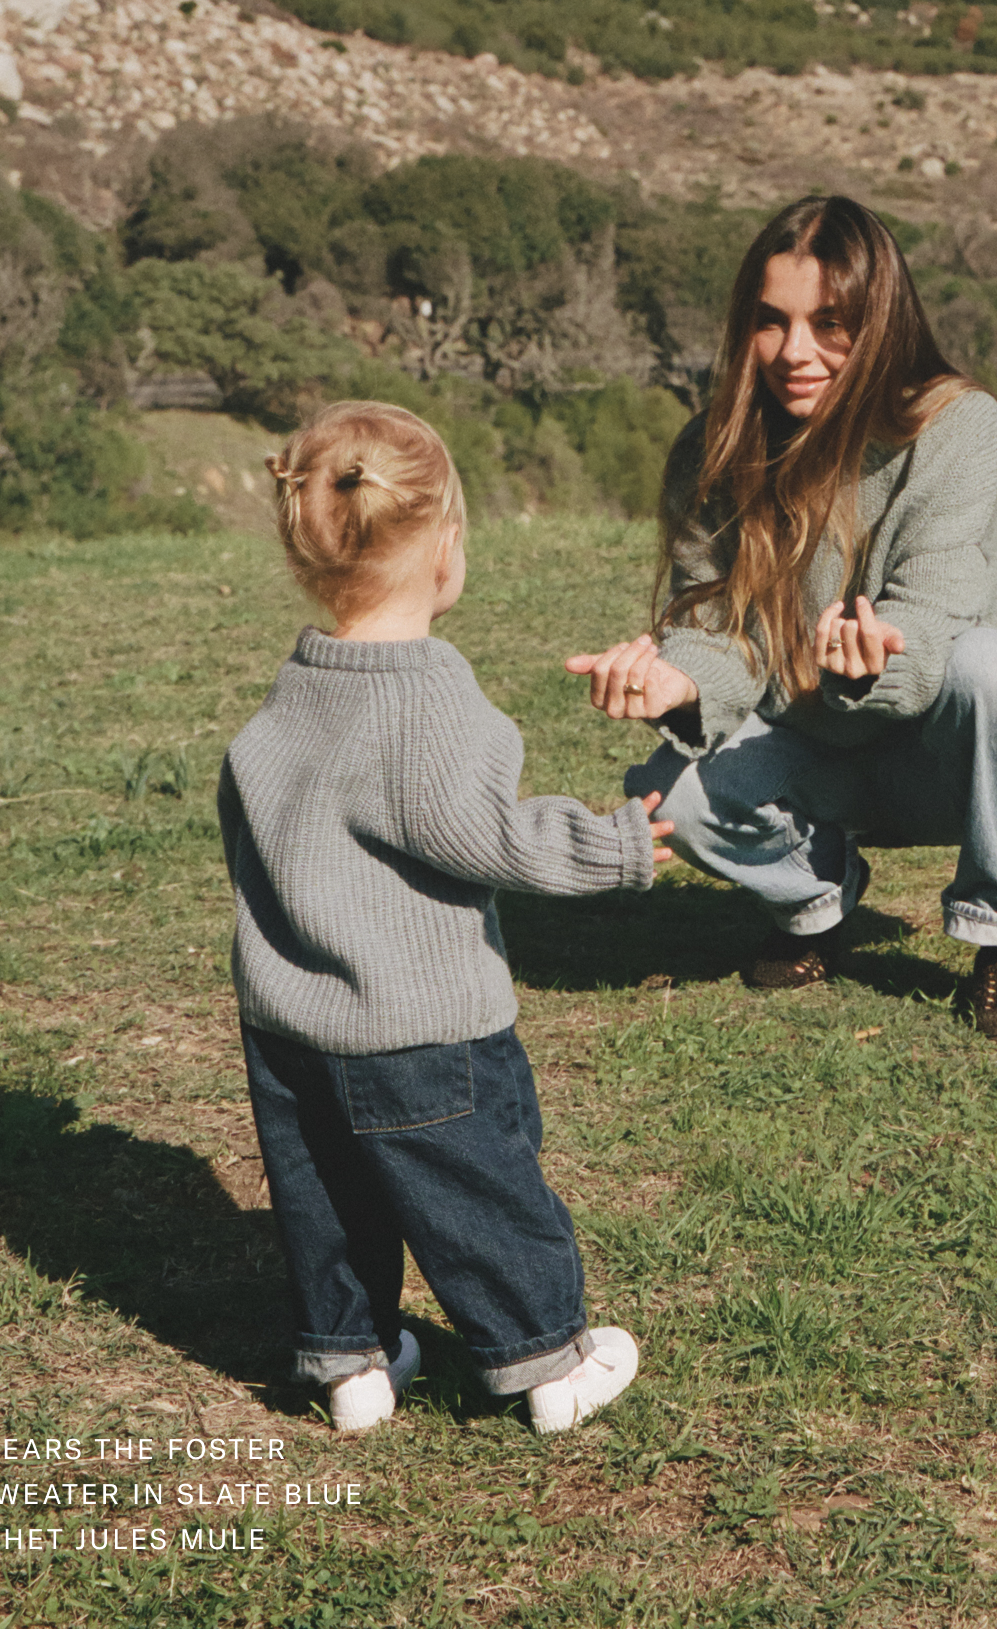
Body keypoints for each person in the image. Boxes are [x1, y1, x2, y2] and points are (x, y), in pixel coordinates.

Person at [220, 399, 673, 1434]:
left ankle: (352, 1364)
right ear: (444, 547)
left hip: (288, 1029)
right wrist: (608, 845)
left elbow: (252, 840)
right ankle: (545, 1361)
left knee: (328, 1197)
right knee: (480, 1186)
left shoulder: (291, 696)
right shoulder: (430, 695)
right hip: (422, 1027)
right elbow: (479, 834)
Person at [567, 196, 997, 1040]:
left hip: (947, 757)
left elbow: (938, 611)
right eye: (772, 323)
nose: (795, 353)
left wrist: (877, 664)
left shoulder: (958, 425)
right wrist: (679, 680)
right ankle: (817, 905)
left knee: (994, 668)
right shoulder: (712, 448)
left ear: (880, 320)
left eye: (831, 323)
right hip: (815, 755)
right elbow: (715, 625)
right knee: (667, 791)